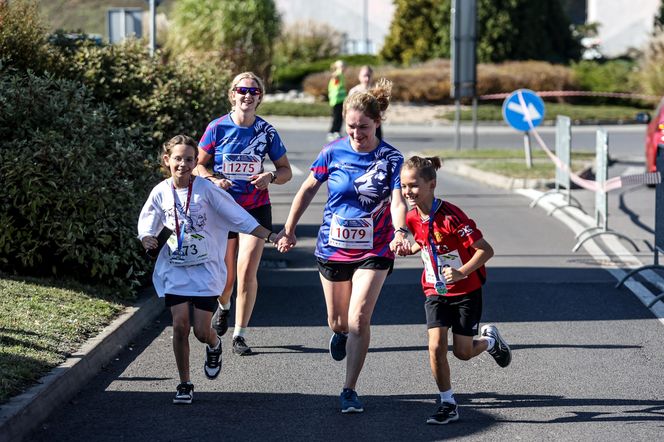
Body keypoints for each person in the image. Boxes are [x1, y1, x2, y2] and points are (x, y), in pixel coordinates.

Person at [277, 79, 408, 414]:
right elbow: (307, 189)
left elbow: (396, 200)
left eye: (363, 127)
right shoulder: (332, 151)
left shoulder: (391, 158)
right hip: (333, 247)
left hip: (375, 248)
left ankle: (349, 389)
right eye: (350, 127)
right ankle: (338, 333)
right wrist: (289, 229)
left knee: (359, 319)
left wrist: (400, 230)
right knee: (339, 322)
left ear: (378, 122)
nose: (356, 134)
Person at [138, 135, 280, 404]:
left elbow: (239, 217)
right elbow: (147, 222)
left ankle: (214, 345)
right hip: (175, 268)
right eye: (178, 159)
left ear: (196, 162)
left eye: (189, 159)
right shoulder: (160, 191)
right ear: (167, 160)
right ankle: (184, 383)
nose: (183, 164)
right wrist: (147, 237)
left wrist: (270, 236)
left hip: (206, 270)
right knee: (180, 325)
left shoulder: (207, 190)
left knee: (201, 331)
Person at [394, 155, 511, 425]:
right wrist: (406, 248)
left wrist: (461, 272)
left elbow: (486, 250)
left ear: (432, 184)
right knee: (435, 346)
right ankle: (447, 403)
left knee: (463, 352)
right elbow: (422, 243)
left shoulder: (452, 216)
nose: (408, 192)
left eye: (413, 185)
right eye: (404, 186)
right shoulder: (412, 218)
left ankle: (490, 340)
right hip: (434, 290)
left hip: (466, 291)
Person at [196, 72, 292, 356]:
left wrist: (271, 177)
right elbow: (199, 166)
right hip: (223, 209)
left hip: (255, 208)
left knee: (246, 269)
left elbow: (285, 171)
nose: (247, 96)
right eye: (242, 90)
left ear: (259, 97)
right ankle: (224, 305)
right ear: (232, 94)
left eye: (253, 91)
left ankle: (240, 334)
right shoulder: (216, 128)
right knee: (225, 275)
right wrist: (214, 180)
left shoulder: (267, 132)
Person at [348, 65, 382, 140]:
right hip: (358, 123)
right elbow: (348, 108)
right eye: (364, 76)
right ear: (359, 76)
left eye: (369, 76)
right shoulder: (354, 91)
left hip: (374, 122)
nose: (367, 79)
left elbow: (382, 108)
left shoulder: (376, 91)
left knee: (377, 143)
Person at [326, 60, 347, 142]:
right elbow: (335, 85)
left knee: (340, 117)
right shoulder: (337, 75)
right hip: (336, 100)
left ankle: (336, 131)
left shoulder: (341, 75)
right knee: (336, 117)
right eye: (341, 66)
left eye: (344, 66)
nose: (343, 68)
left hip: (340, 100)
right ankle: (332, 132)